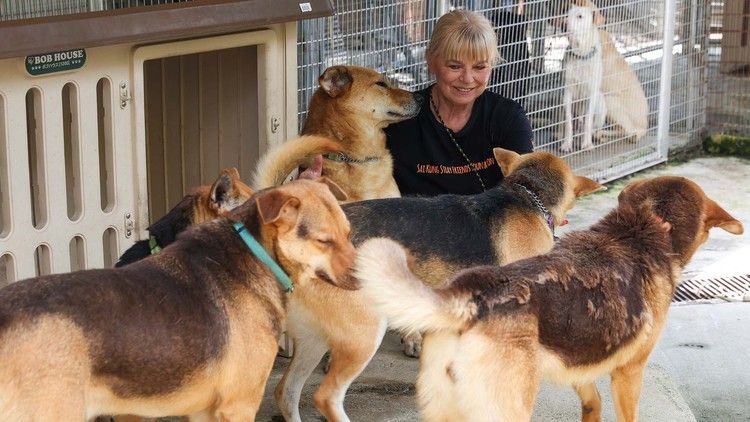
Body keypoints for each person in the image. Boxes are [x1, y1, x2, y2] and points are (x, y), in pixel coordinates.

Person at [385, 9, 534, 196]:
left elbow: (530, 196)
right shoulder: (400, 121)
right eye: (455, 66)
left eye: (479, 67)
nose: (467, 78)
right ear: (430, 61)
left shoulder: (508, 118)